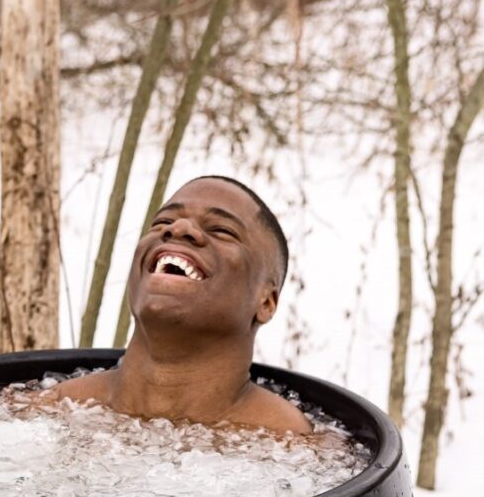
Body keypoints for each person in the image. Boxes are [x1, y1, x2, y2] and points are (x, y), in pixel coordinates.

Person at [43, 174, 312, 436]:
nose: (179, 228)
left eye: (221, 229)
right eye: (163, 222)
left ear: (266, 302)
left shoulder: (295, 445)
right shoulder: (48, 408)